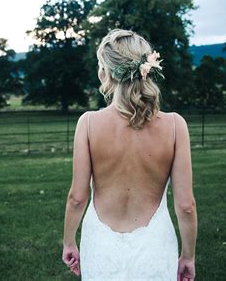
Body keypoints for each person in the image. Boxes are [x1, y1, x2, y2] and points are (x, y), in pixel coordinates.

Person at [62, 29, 197, 280]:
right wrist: (188, 257)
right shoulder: (176, 125)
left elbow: (77, 198)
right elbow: (186, 206)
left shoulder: (89, 123)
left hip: (101, 247)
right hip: (155, 249)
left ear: (105, 72)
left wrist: (69, 242)